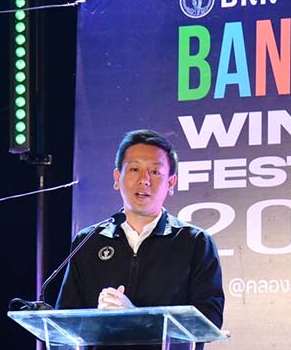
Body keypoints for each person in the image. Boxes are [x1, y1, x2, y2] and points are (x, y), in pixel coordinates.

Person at [55, 129, 224, 347]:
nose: (144, 180)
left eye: (155, 171)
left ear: (171, 183)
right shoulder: (88, 241)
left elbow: (209, 322)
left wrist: (135, 317)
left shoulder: (195, 243)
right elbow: (65, 324)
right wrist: (100, 320)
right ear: (117, 178)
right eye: (134, 169)